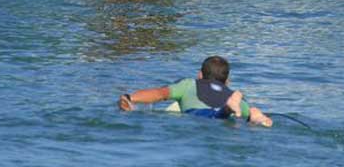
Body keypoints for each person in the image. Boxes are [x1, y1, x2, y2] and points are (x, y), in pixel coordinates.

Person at [117, 55, 273, 126]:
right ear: (227, 81)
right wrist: (259, 118)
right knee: (247, 112)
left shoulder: (189, 84)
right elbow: (250, 111)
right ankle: (248, 115)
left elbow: (159, 94)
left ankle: (225, 109)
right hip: (226, 112)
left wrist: (130, 98)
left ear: (200, 75)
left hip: (197, 115)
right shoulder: (232, 94)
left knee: (213, 116)